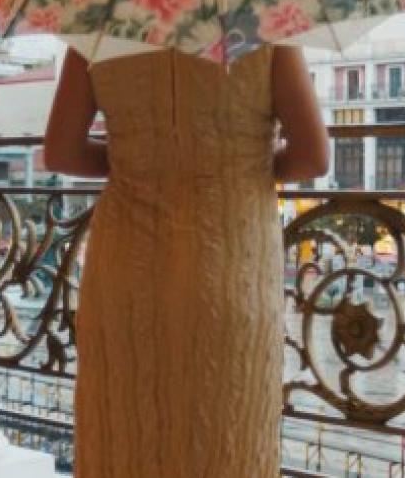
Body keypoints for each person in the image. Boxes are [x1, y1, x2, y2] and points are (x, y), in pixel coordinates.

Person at [44, 46, 328, 476]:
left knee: (126, 435)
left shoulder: (100, 26)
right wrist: (242, 163)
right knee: (222, 441)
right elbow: (312, 157)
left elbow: (61, 153)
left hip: (126, 269)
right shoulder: (265, 28)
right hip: (230, 259)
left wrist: (135, 160)